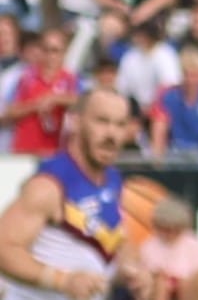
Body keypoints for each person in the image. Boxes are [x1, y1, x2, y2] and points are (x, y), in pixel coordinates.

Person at [0, 87, 149, 300]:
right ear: (75, 122)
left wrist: (132, 270)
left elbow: (117, 239)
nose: (111, 134)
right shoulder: (49, 185)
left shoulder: (112, 179)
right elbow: (3, 249)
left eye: (120, 124)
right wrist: (61, 280)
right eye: (101, 121)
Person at [9, 29, 81, 155]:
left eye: (55, 50)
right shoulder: (26, 77)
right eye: (46, 50)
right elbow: (10, 112)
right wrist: (36, 105)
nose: (50, 56)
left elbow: (83, 102)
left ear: (64, 53)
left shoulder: (71, 79)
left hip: (56, 151)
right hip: (25, 150)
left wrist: (55, 99)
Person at [138, 196, 198, 300]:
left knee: (186, 285)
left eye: (175, 229)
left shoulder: (192, 244)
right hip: (158, 288)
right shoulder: (149, 245)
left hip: (187, 287)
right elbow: (145, 272)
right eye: (166, 229)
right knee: (161, 284)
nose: (170, 234)